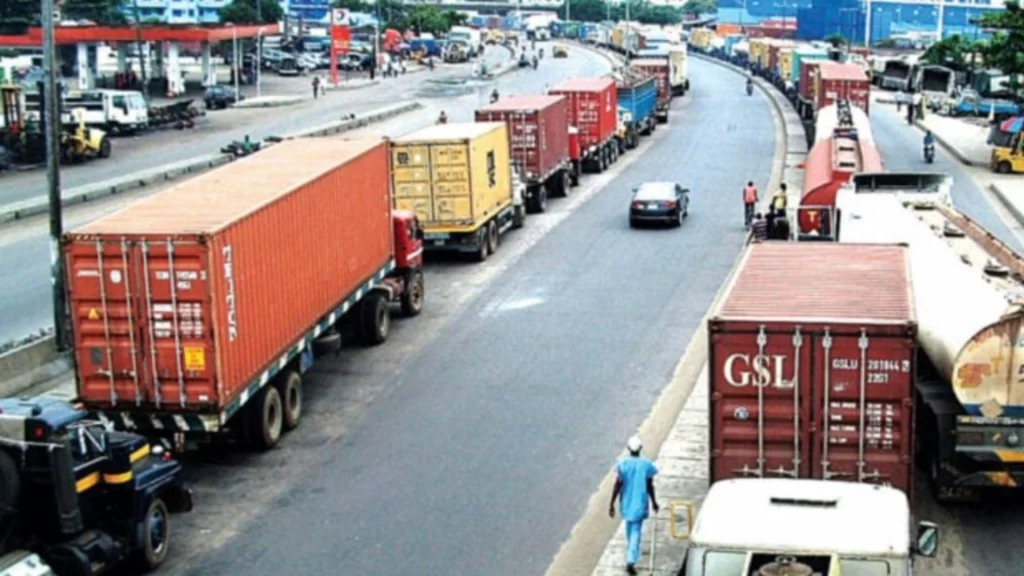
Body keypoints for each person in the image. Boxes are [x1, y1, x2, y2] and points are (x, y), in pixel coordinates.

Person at [609, 436, 659, 576]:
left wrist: (611, 503)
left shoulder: (622, 464)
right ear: (640, 448)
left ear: (628, 448)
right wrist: (654, 502)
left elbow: (617, 485)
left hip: (626, 502)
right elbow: (650, 486)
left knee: (630, 528)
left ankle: (631, 554)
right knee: (635, 530)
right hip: (640, 502)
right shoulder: (647, 465)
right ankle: (631, 560)